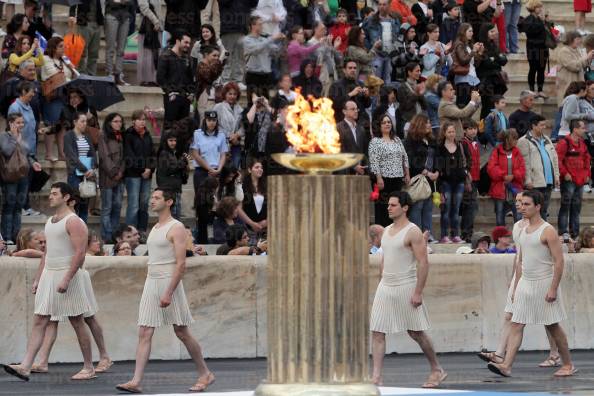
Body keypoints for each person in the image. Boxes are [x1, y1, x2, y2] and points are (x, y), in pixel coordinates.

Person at [116, 189, 215, 393]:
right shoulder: (155, 227)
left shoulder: (176, 227)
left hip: (168, 282)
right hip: (151, 282)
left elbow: (181, 264)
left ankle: (205, 373)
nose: (152, 200)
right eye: (151, 197)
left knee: (181, 331)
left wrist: (169, 292)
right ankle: (135, 381)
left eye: (157, 198)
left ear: (169, 202)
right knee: (144, 331)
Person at [2, 182, 96, 381]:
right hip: (50, 274)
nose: (50, 197)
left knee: (77, 321)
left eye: (54, 194)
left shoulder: (74, 221)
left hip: (67, 274)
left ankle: (89, 367)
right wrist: (38, 278)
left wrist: (67, 278)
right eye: (51, 193)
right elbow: (47, 253)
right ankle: (26, 366)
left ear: (66, 197)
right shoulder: (50, 221)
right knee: (40, 320)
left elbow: (80, 254)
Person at [487, 190, 577, 378]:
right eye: (522, 204)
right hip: (526, 284)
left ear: (538, 207)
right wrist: (516, 286)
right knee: (517, 323)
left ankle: (568, 364)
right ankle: (507, 365)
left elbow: (559, 262)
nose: (523, 207)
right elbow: (520, 260)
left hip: (544, 283)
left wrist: (553, 288)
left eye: (527, 204)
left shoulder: (548, 231)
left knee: (553, 326)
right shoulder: (520, 229)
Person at [370, 190, 447, 388]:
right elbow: (385, 259)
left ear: (405, 208)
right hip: (386, 286)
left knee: (416, 332)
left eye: (393, 205)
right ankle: (376, 377)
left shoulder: (413, 231)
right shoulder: (386, 231)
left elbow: (423, 262)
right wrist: (381, 283)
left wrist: (418, 291)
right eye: (388, 204)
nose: (389, 207)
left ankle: (437, 369)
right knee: (377, 331)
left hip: (406, 284)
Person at [0, 112, 41, 243]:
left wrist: (33, 162)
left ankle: (16, 236)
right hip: (10, 175)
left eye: (22, 122)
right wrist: (14, 139)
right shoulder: (3, 136)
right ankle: (6, 236)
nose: (21, 125)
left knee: (19, 206)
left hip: (23, 174)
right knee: (9, 205)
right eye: (18, 122)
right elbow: (6, 151)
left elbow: (26, 153)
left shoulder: (23, 136)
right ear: (10, 123)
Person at [191, 111, 228, 243]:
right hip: (202, 171)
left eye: (214, 120)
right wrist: (209, 168)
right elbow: (195, 154)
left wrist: (219, 169)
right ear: (205, 120)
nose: (211, 122)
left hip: (217, 170)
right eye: (209, 120)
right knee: (202, 205)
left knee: (216, 203)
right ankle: (202, 238)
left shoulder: (221, 135)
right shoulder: (198, 134)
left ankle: (218, 235)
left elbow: (223, 153)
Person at [41, 37, 79, 161]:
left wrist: (73, 71)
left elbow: (70, 77)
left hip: (63, 97)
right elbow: (54, 75)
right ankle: (49, 154)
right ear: (53, 47)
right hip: (52, 97)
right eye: (61, 46)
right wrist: (68, 77)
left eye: (64, 46)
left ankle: (62, 154)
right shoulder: (46, 59)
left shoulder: (64, 61)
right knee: (51, 124)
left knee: (62, 126)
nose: (64, 48)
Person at [369, 114, 410, 227]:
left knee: (396, 207)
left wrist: (407, 173)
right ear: (379, 126)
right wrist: (378, 178)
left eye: (389, 122)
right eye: (384, 122)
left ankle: (394, 233)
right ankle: (381, 235)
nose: (387, 124)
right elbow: (374, 161)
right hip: (383, 179)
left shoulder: (396, 139)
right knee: (383, 208)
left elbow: (404, 157)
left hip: (397, 178)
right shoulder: (375, 141)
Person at [517, 114, 560, 220]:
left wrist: (557, 176)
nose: (544, 127)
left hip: (548, 181)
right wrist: (527, 180)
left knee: (544, 210)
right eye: (541, 125)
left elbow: (554, 159)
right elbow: (524, 163)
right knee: (533, 211)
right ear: (533, 126)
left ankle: (542, 233)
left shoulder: (547, 139)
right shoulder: (524, 141)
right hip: (535, 183)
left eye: (544, 125)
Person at [434, 122, 470, 243]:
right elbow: (437, 166)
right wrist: (439, 188)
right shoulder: (440, 147)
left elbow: (467, 160)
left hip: (459, 182)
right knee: (446, 209)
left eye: (453, 131)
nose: (451, 134)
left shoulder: (460, 145)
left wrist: (465, 173)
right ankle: (444, 235)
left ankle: (455, 234)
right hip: (445, 183)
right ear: (444, 133)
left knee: (456, 209)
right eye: (449, 132)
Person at [556, 120, 591, 240]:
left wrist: (587, 174)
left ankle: (574, 233)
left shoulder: (582, 143)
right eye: (582, 128)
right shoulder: (564, 142)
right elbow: (558, 160)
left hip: (580, 181)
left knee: (576, 208)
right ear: (575, 129)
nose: (584, 130)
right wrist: (564, 173)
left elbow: (587, 159)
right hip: (568, 181)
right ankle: (563, 232)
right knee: (565, 206)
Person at [404, 114, 438, 240]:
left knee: (428, 208)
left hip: (430, 179)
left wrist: (437, 171)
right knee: (417, 207)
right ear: (420, 124)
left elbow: (437, 158)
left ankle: (428, 235)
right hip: (417, 178)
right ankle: (417, 236)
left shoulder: (431, 141)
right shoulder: (411, 141)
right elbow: (410, 159)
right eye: (427, 122)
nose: (430, 125)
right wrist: (424, 171)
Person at [124, 110, 155, 236]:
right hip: (133, 175)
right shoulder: (129, 135)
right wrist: (143, 170)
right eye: (140, 119)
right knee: (133, 205)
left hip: (147, 174)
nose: (143, 122)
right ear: (133, 121)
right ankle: (130, 232)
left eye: (144, 119)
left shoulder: (147, 134)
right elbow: (129, 156)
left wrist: (150, 169)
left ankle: (142, 231)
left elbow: (153, 154)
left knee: (144, 203)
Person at [242, 15, 285, 106]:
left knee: (266, 103)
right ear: (253, 26)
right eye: (260, 24)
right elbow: (256, 49)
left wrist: (283, 42)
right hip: (253, 75)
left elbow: (276, 52)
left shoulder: (265, 39)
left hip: (266, 76)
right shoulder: (247, 40)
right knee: (253, 104)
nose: (262, 26)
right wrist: (272, 38)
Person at [157, 30, 195, 130]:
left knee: (183, 129)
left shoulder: (188, 59)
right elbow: (160, 79)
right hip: (172, 98)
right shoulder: (166, 56)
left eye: (189, 43)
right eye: (185, 42)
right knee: (169, 129)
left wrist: (190, 93)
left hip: (185, 98)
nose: (188, 45)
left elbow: (191, 78)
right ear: (178, 41)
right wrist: (170, 92)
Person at [97, 112, 125, 243]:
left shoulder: (121, 136)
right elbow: (104, 156)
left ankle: (115, 235)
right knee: (107, 207)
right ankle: (107, 236)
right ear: (109, 122)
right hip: (107, 177)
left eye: (120, 121)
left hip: (120, 177)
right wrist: (114, 172)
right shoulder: (103, 135)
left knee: (118, 206)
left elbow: (125, 157)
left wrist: (121, 172)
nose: (119, 124)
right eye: (116, 121)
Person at [64, 113, 96, 223]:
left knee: (84, 204)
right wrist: (85, 169)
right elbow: (71, 156)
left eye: (86, 121)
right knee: (74, 202)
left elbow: (92, 153)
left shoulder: (86, 136)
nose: (84, 124)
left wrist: (92, 168)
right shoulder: (68, 136)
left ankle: (83, 228)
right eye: (82, 121)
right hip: (75, 173)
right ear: (75, 122)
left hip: (86, 174)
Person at [218, 0, 258, 85]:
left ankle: (238, 80)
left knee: (240, 57)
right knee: (227, 56)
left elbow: (254, 3)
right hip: (228, 28)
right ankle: (225, 80)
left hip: (242, 29)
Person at [361, 0, 399, 84]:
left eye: (384, 4)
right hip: (376, 54)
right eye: (380, 4)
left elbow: (398, 35)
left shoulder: (395, 19)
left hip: (389, 55)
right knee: (375, 81)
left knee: (387, 81)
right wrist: (370, 48)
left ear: (389, 5)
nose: (381, 7)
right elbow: (363, 36)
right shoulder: (370, 20)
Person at [475, 23, 508, 120]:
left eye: (495, 31)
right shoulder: (480, 46)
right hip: (486, 83)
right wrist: (496, 60)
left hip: (497, 81)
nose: (495, 33)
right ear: (486, 32)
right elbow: (487, 63)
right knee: (487, 107)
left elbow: (504, 60)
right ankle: (483, 130)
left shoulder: (494, 44)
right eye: (492, 31)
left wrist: (495, 59)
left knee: (495, 108)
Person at [156, 131, 189, 219]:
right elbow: (168, 170)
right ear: (166, 141)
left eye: (175, 140)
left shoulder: (173, 154)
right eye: (171, 140)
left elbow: (181, 175)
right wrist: (182, 162)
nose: (173, 143)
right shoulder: (164, 153)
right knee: (171, 217)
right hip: (168, 190)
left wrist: (185, 165)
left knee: (176, 217)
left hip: (176, 189)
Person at [556, 31, 594, 108]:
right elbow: (574, 66)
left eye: (580, 39)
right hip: (567, 85)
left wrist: (589, 58)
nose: (580, 41)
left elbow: (582, 65)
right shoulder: (564, 51)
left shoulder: (577, 51)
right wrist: (586, 57)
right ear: (571, 39)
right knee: (565, 109)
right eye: (578, 39)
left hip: (577, 85)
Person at [521, 0, 551, 98]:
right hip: (533, 48)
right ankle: (531, 90)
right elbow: (531, 32)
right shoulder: (528, 20)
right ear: (533, 8)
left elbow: (549, 29)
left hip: (543, 48)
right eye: (538, 7)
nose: (540, 9)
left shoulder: (540, 19)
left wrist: (546, 21)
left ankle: (540, 89)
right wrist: (542, 22)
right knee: (533, 69)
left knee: (541, 69)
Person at [329, 58, 371, 125]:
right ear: (344, 70)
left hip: (359, 123)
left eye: (354, 68)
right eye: (350, 68)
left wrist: (367, 96)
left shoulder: (361, 84)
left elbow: (367, 105)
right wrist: (350, 94)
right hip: (342, 123)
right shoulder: (336, 85)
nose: (353, 70)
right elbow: (334, 104)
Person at [212, 82, 244, 168]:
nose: (232, 96)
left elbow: (243, 126)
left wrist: (236, 135)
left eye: (235, 94)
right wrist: (229, 136)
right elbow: (213, 125)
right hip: (222, 144)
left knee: (235, 170)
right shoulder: (218, 107)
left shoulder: (240, 109)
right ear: (225, 94)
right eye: (230, 94)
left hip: (236, 144)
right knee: (222, 171)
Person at [69, 0, 105, 76]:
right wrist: (71, 15)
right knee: (82, 51)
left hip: (96, 24)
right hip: (84, 24)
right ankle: (80, 73)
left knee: (94, 53)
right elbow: (73, 3)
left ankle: (91, 74)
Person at [451, 23, 482, 107]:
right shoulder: (459, 44)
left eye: (472, 31)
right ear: (463, 32)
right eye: (469, 31)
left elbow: (476, 64)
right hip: (463, 79)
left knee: (471, 106)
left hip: (472, 78)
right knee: (462, 106)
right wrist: (473, 51)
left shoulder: (468, 45)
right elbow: (463, 61)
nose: (472, 33)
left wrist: (479, 53)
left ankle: (466, 120)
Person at [460, 119, 481, 242]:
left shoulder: (475, 143)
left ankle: (469, 231)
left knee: (472, 206)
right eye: (470, 129)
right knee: (469, 206)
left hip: (476, 178)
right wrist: (467, 174)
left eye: (475, 128)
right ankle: (466, 233)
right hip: (468, 179)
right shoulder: (463, 143)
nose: (473, 131)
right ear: (464, 131)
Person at [238, 159, 267, 242]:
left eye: (261, 167)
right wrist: (252, 223)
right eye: (257, 167)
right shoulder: (243, 186)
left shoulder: (267, 186)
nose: (260, 169)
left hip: (266, 228)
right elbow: (239, 208)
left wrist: (267, 221)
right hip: (248, 228)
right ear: (250, 170)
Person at [337, 100, 369, 175]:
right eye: (352, 109)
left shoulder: (361, 129)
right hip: (344, 171)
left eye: (356, 109)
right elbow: (339, 151)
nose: (356, 111)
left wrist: (365, 167)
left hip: (361, 171)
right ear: (344, 111)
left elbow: (364, 151)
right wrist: (353, 166)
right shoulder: (338, 128)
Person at [396, 62, 426, 127]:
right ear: (409, 72)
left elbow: (425, 106)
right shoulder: (402, 87)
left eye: (420, 71)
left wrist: (421, 94)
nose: (419, 73)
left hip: (420, 121)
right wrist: (416, 94)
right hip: (409, 122)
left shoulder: (418, 85)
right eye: (417, 71)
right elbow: (405, 106)